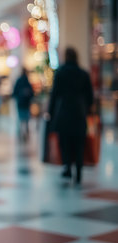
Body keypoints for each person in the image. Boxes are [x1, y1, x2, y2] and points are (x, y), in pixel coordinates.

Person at [48, 47, 94, 185]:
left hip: (64, 112)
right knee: (79, 142)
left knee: (65, 141)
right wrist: (87, 109)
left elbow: (54, 95)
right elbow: (90, 96)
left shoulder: (60, 73)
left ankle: (67, 166)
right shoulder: (83, 74)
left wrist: (50, 113)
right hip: (79, 113)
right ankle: (78, 170)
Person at [13, 68, 34, 141]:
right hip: (26, 103)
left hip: (21, 103)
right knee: (26, 119)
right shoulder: (27, 81)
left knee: (21, 119)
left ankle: (21, 133)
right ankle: (25, 133)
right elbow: (32, 93)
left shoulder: (19, 81)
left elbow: (14, 93)